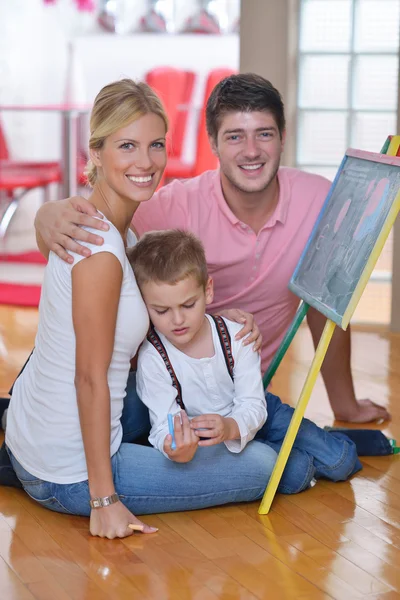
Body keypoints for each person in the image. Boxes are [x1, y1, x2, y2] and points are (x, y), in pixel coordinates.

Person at [4, 78, 279, 539]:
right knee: (262, 466)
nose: (146, 161)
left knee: (185, 402)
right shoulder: (102, 253)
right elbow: (89, 378)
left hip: (32, 433)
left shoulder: (107, 229)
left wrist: (217, 322)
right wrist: (104, 501)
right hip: (67, 472)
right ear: (95, 152)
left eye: (155, 145)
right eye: (126, 145)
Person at [33, 73, 390, 425]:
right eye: (235, 137)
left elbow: (325, 306)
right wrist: (44, 219)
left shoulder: (318, 201)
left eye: (264, 134)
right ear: (214, 143)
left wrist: (346, 406)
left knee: (298, 460)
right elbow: (94, 237)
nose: (251, 151)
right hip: (161, 388)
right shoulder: (174, 205)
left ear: (283, 137)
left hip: (239, 392)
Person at [127, 229, 361, 493]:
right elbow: (162, 426)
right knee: (296, 474)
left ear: (208, 291)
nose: (178, 320)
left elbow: (253, 404)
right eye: (161, 311)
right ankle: (298, 452)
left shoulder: (237, 334)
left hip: (263, 413)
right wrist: (174, 448)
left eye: (188, 305)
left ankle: (350, 441)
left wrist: (232, 426)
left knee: (340, 462)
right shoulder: (153, 357)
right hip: (215, 439)